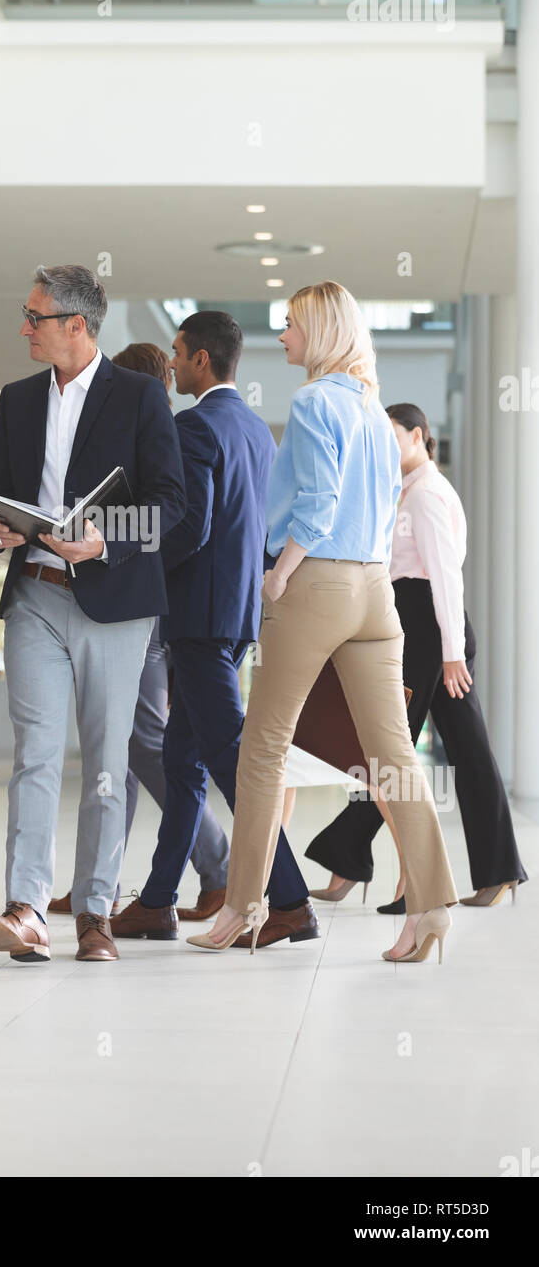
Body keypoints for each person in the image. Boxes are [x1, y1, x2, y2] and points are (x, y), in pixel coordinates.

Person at [191, 282, 458, 964]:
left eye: (290, 326)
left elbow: (318, 499)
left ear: (319, 331)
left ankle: (243, 907)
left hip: (316, 584)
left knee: (263, 748)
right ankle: (429, 906)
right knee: (395, 757)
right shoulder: (371, 409)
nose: (281, 337)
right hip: (376, 593)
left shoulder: (313, 401)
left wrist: (279, 574)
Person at [0, 264, 185, 963]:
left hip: (114, 604)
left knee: (104, 760)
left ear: (76, 325)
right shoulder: (18, 398)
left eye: (35, 317)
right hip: (34, 591)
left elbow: (171, 504)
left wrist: (104, 537)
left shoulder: (140, 398)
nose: (24, 328)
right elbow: (1, 492)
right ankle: (27, 906)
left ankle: (94, 912)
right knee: (34, 753)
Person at [112, 312, 316, 948]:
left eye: (175, 354)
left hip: (198, 617)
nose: (169, 365)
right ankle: (156, 899)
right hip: (234, 613)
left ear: (201, 360)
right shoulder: (258, 430)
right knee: (182, 759)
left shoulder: (192, 425)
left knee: (232, 761)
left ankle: (290, 899)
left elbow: (189, 526)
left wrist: (131, 561)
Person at [305, 401, 527, 912]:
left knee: (390, 747)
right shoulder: (404, 491)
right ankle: (490, 872)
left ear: (419, 436)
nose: (385, 444)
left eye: (393, 434)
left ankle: (369, 866)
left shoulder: (426, 494)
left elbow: (445, 578)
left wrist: (452, 653)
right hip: (418, 628)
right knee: (424, 749)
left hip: (432, 633)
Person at [48, 340, 231, 918]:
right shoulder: (149, 437)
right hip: (124, 608)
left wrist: (113, 543)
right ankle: (95, 886)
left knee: (145, 745)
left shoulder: (157, 441)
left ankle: (220, 863)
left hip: (144, 612)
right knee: (119, 754)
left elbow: (180, 527)